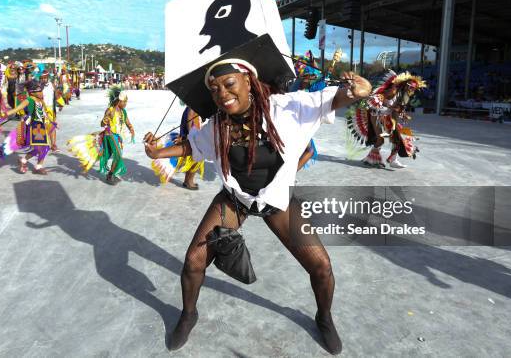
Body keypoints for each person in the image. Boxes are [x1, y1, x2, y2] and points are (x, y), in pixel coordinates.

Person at [144, 59, 371, 354]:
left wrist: (357, 93)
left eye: (229, 84)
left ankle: (324, 317)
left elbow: (328, 99)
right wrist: (158, 151)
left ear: (248, 81)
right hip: (235, 201)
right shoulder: (217, 125)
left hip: (276, 202)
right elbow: (192, 145)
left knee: (321, 267)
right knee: (193, 262)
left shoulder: (286, 108)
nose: (222, 93)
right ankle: (189, 314)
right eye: (214, 89)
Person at [346, 71, 426, 168]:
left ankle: (392, 159)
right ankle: (371, 159)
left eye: (414, 89)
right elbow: (378, 99)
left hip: (387, 116)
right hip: (376, 115)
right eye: (411, 87)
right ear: (406, 85)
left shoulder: (404, 96)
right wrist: (391, 108)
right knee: (380, 140)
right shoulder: (393, 91)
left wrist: (396, 122)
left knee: (398, 137)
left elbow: (395, 113)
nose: (412, 90)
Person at [67, 86, 135, 185]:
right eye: (124, 101)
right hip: (109, 134)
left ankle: (110, 174)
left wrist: (131, 129)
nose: (125, 104)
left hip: (118, 136)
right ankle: (111, 174)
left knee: (113, 155)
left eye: (126, 101)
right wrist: (104, 120)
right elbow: (102, 124)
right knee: (118, 155)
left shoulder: (123, 112)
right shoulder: (110, 110)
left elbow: (127, 122)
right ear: (118, 101)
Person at [1, 80, 55, 175]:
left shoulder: (41, 101)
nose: (41, 93)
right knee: (43, 148)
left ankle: (24, 161)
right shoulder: (29, 100)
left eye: (41, 90)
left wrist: (50, 122)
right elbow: (16, 109)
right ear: (32, 92)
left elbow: (44, 113)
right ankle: (37, 166)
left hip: (42, 127)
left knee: (43, 148)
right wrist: (2, 115)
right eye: (39, 91)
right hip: (35, 128)